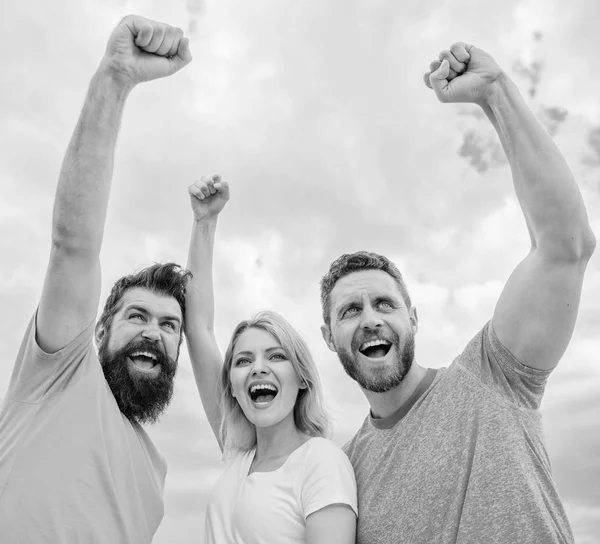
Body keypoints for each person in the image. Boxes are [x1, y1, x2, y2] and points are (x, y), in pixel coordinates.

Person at [319, 43, 596, 544]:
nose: (371, 319)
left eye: (385, 303)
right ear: (327, 336)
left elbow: (566, 246)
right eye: (350, 311)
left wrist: (495, 94)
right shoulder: (344, 475)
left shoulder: (492, 378)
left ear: (414, 318)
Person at [0, 16, 192, 544]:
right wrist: (115, 79)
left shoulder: (156, 475)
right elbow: (74, 244)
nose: (155, 332)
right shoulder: (59, 372)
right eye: (137, 316)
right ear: (100, 330)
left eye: (170, 326)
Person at [185, 175, 357, 544]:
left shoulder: (320, 461)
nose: (258, 367)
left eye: (276, 356)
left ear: (302, 378)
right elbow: (197, 326)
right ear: (231, 384)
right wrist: (204, 223)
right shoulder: (238, 458)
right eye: (243, 360)